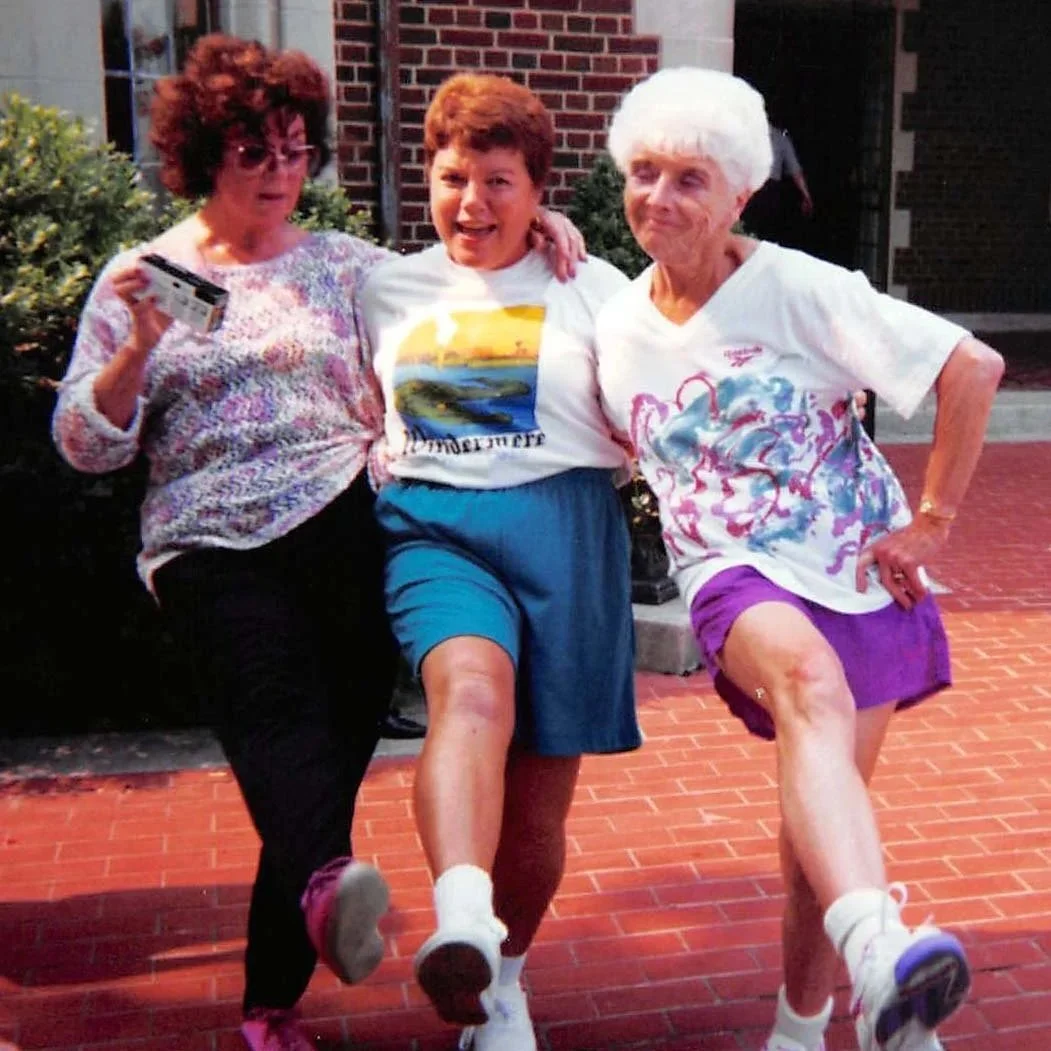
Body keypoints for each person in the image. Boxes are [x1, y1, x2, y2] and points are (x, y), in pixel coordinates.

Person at [49, 35, 582, 1051]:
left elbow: (461, 271)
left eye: (297, 152)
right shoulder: (143, 276)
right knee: (278, 728)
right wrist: (140, 355)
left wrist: (538, 220)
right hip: (207, 543)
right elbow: (82, 440)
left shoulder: (348, 267)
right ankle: (332, 888)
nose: (283, 173)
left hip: (343, 520)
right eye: (258, 153)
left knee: (321, 771)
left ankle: (268, 1002)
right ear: (205, 153)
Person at [595, 68, 1004, 1051]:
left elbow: (970, 367)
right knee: (807, 684)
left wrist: (934, 521)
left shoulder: (798, 289)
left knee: (813, 849)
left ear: (739, 191)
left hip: (860, 574)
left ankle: (806, 1027)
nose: (658, 197)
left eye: (689, 178)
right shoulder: (607, 319)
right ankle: (880, 955)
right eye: (642, 172)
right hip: (729, 572)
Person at [361, 72, 642, 1051]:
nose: (471, 202)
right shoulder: (380, 283)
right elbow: (249, 283)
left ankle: (503, 983)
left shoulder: (594, 286)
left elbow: (660, 397)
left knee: (537, 800)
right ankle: (462, 921)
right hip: (434, 528)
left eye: (499, 181)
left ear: (537, 190)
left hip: (567, 531)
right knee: (470, 694)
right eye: (451, 177)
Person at [741, 121, 813, 243]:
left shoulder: (748, 137)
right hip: (771, 190)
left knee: (748, 231)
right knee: (769, 233)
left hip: (753, 187)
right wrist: (806, 196)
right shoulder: (781, 137)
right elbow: (795, 171)